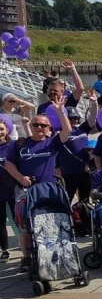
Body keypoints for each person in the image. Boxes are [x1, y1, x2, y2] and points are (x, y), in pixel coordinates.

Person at [5, 95, 72, 272]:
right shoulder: (20, 144)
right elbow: (8, 164)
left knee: (52, 222)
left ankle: (56, 253)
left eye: (43, 125)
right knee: (25, 226)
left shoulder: (52, 143)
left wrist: (60, 112)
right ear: (31, 126)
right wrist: (20, 178)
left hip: (48, 190)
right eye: (36, 124)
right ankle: (27, 257)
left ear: (48, 127)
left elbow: (67, 131)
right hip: (25, 191)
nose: (39, 128)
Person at [0, 118, 17, 262]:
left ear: (7, 131)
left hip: (13, 190)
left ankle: (27, 249)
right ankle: (4, 249)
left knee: (19, 220)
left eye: (1, 129)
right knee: (0, 222)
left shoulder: (13, 146)